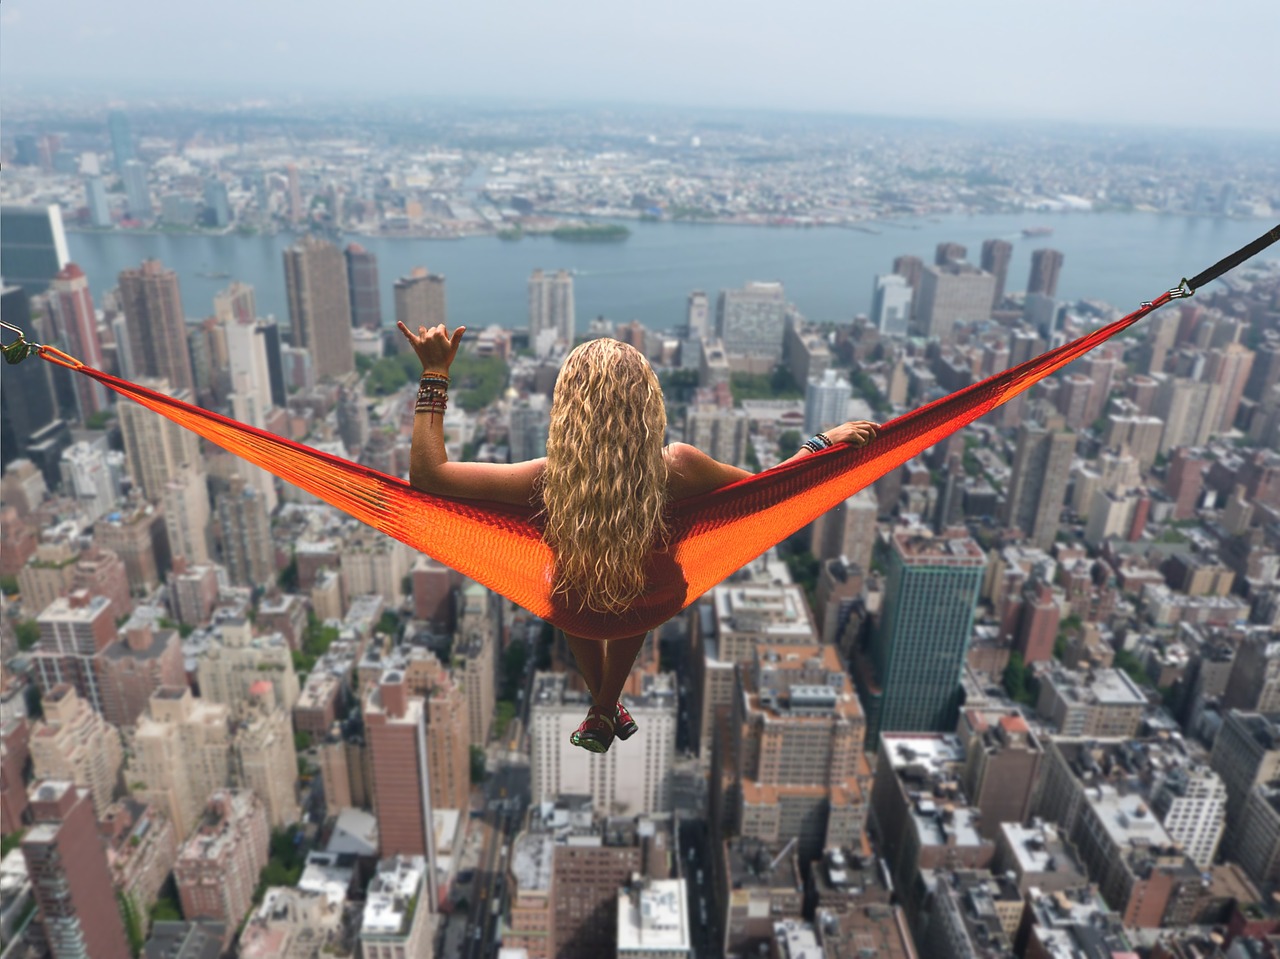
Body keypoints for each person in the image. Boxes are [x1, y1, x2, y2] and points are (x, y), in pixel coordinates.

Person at [399, 321, 878, 753]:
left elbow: (428, 474)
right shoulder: (680, 468)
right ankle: (605, 709)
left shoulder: (543, 481)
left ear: (567, 408)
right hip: (652, 604)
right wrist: (821, 442)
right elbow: (769, 488)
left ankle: (603, 706)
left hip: (576, 612)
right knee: (637, 575)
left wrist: (436, 371)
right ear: (647, 404)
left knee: (571, 575)